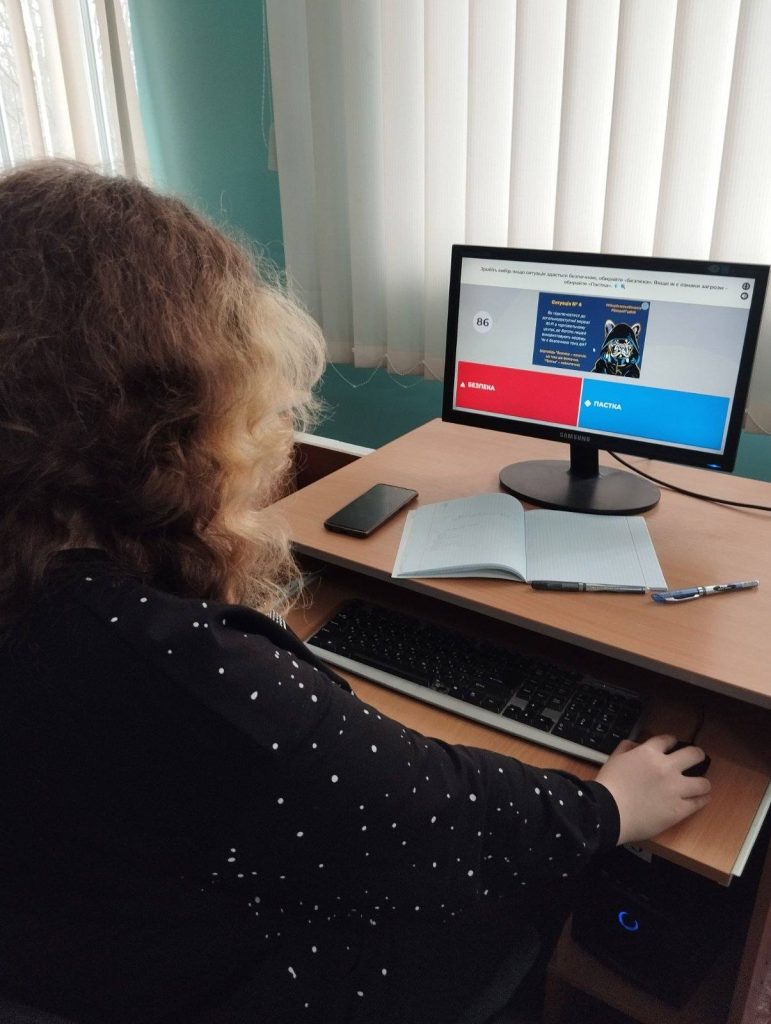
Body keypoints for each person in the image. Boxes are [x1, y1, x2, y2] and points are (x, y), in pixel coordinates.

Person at [0, 161, 711, 1024]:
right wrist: (608, 806)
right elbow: (430, 817)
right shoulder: (166, 658)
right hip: (223, 979)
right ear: (164, 410)